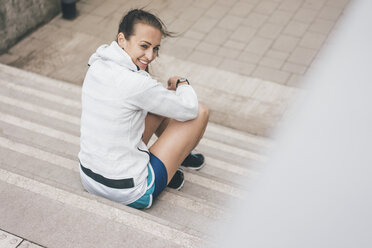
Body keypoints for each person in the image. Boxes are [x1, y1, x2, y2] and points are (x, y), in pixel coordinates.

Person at [78, 9, 209, 209]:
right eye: (144, 46)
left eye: (156, 48)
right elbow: (189, 108)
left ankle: (178, 157)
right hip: (131, 192)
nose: (150, 56)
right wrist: (182, 83)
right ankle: (177, 161)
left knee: (156, 106)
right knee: (200, 112)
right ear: (122, 40)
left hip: (89, 178)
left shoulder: (97, 63)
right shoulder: (138, 84)